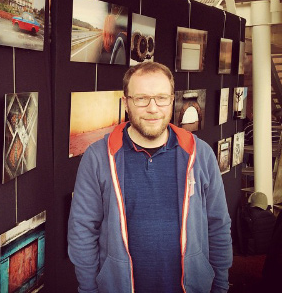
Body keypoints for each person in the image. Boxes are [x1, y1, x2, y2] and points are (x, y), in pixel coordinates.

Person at [68, 61, 233, 293]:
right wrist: (88, 289)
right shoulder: (97, 157)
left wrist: (220, 285)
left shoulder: (201, 154)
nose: (153, 108)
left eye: (161, 98)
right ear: (126, 103)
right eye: (141, 98)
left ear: (172, 100)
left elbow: (218, 223)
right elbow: (82, 229)